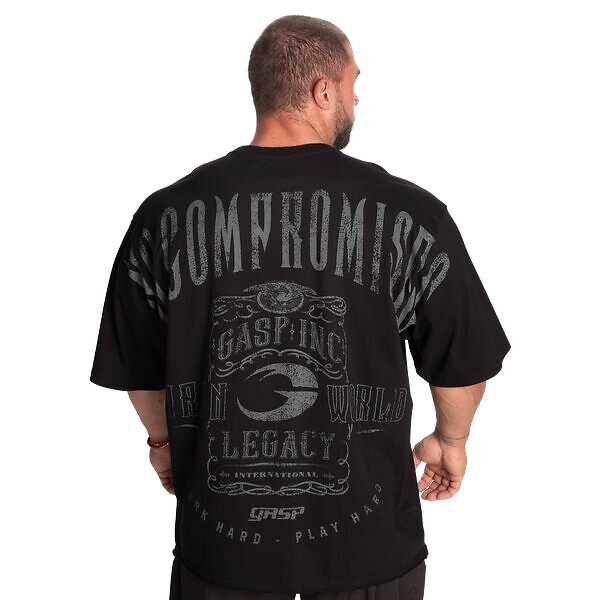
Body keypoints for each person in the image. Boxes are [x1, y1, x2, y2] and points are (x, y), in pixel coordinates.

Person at [90, 14, 511, 600]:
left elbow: (138, 364)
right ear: (323, 91)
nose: (357, 98)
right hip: (368, 551)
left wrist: (164, 446)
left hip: (221, 547)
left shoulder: (165, 215)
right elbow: (461, 364)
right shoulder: (411, 214)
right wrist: (452, 439)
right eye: (353, 83)